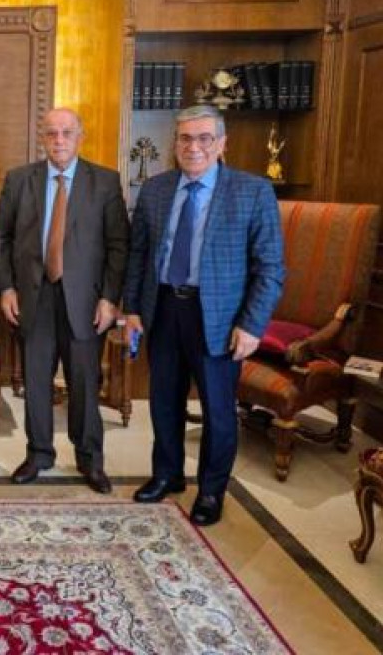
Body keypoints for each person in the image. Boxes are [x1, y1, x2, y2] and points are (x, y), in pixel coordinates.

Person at [123, 105, 285, 526]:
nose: (193, 147)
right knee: (164, 401)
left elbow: (270, 268)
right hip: (163, 309)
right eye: (185, 138)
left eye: (204, 138)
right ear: (174, 143)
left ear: (222, 143)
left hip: (219, 318)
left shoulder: (252, 192)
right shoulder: (155, 189)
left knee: (217, 410)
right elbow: (138, 255)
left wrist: (251, 324)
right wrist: (132, 309)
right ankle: (167, 474)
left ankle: (212, 491)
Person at [0, 108, 129, 491]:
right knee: (36, 381)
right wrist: (6, 288)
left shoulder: (105, 182)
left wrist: (110, 298)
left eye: (67, 132)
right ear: (43, 138)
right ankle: (38, 454)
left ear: (80, 137)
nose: (59, 140)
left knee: (84, 382)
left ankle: (90, 459)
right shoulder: (20, 180)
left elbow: (119, 245)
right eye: (51, 133)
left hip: (86, 301)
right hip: (32, 297)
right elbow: (0, 238)